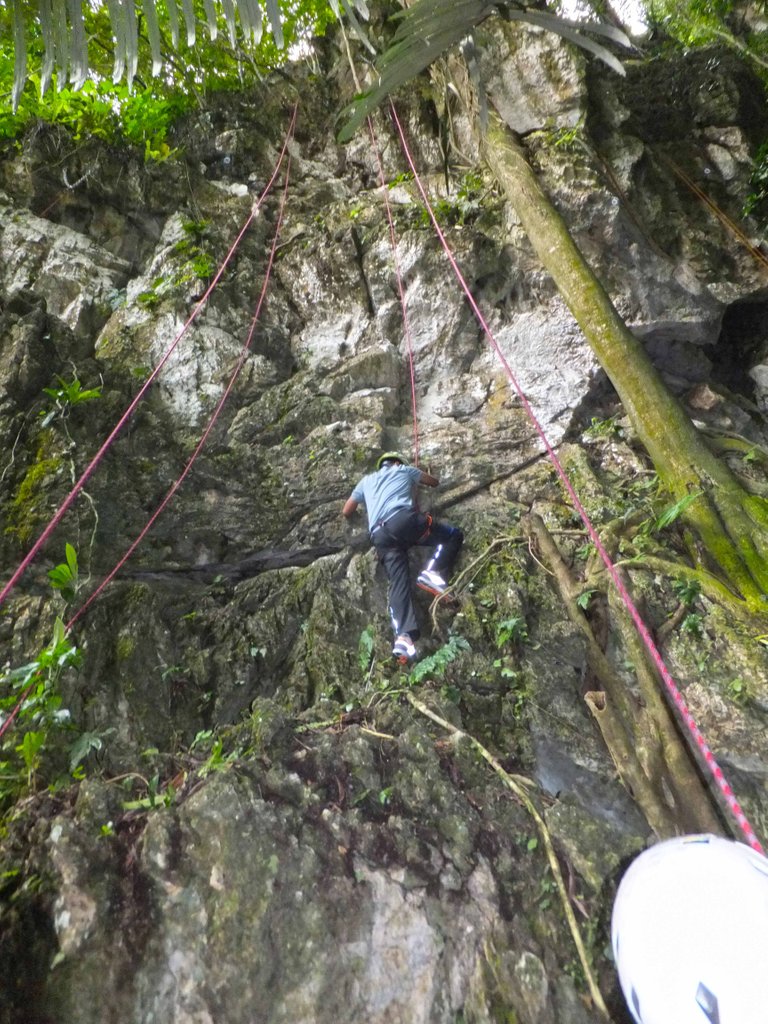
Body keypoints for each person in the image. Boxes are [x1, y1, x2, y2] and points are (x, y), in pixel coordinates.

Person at [342, 451, 464, 662]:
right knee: (452, 536)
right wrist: (421, 476)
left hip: (380, 536)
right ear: (397, 462)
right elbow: (433, 482)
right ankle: (432, 573)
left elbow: (347, 510)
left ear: (381, 465)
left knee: (398, 582)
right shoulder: (404, 469)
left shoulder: (366, 481)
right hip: (404, 520)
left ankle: (404, 637)